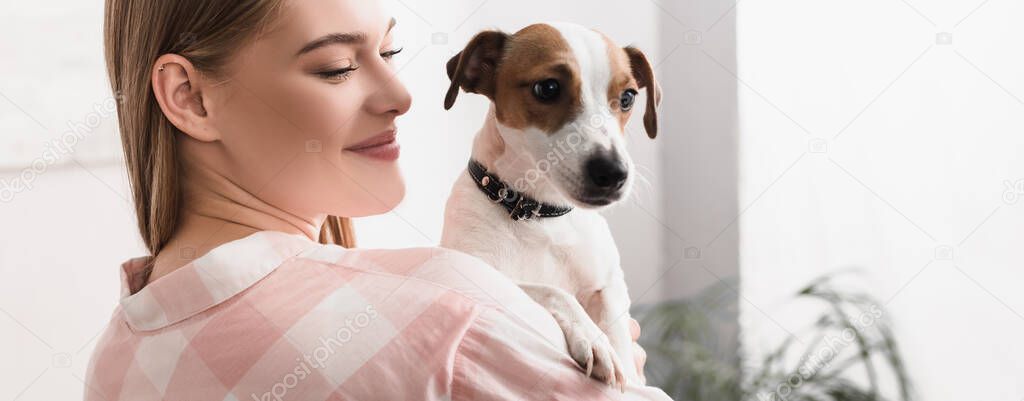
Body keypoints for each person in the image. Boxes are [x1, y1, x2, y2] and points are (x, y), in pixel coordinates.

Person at [86, 0, 671, 400]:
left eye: (389, 53)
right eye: (337, 67)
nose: (401, 96)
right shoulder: (460, 316)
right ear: (189, 97)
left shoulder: (115, 355)